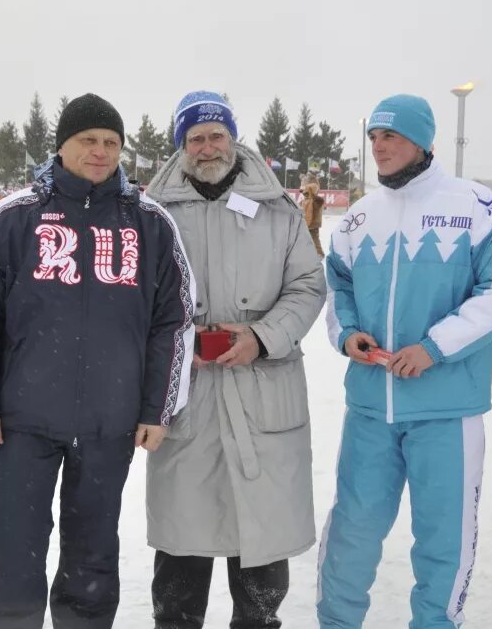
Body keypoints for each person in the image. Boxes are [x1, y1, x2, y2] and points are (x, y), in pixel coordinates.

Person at [0, 93, 196, 629]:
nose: (101, 151)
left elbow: (173, 322)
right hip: (24, 421)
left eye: (111, 142)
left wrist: (157, 408)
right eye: (89, 140)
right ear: (61, 146)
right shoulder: (16, 217)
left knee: (93, 555)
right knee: (16, 550)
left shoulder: (148, 222)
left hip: (111, 422)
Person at [317, 94, 492, 628]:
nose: (380, 147)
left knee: (442, 543)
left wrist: (434, 348)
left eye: (393, 136)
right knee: (351, 536)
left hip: (446, 413)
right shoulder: (359, 217)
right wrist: (347, 337)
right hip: (370, 410)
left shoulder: (478, 207)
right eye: (375, 137)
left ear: (425, 142)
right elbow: (336, 284)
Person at [142, 91, 325, 629]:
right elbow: (131, 300)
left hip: (262, 399)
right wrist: (176, 345)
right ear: (180, 145)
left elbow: (308, 285)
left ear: (233, 136)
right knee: (180, 567)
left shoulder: (278, 210)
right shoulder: (152, 214)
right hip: (188, 400)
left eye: (215, 134)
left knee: (262, 575)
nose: (206, 147)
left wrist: (263, 336)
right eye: (194, 137)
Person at [301, 173, 326, 257]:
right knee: (304, 239)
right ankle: (307, 253)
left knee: (315, 239)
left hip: (314, 223)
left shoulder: (316, 200)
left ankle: (319, 253)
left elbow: (320, 201)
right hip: (306, 223)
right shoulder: (305, 201)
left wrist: (312, 192)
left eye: (307, 193)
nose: (305, 194)